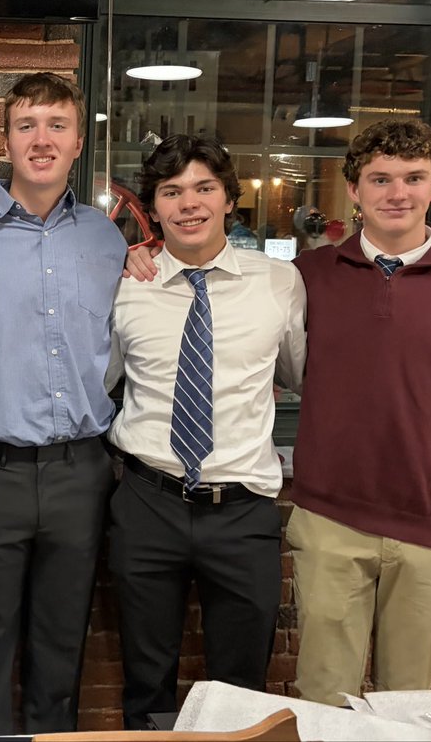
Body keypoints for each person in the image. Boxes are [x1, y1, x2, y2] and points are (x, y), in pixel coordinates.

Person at [0, 72, 128, 735]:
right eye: (26, 125)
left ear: (79, 142)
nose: (41, 139)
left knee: (60, 647)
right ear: (6, 140)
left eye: (56, 125)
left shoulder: (111, 242)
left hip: (81, 472)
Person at [286, 119, 431, 704]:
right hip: (331, 518)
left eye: (413, 178)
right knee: (323, 699)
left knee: (408, 705)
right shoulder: (307, 279)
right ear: (353, 190)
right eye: (380, 179)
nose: (397, 193)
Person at [106, 134, 306, 729]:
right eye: (171, 191)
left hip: (243, 509)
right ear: (154, 206)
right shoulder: (125, 286)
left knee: (242, 688)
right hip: (147, 502)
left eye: (203, 188)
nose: (188, 204)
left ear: (227, 199)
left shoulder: (278, 283)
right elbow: (102, 381)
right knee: (146, 680)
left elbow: (302, 374)